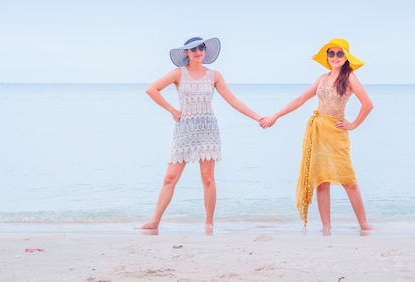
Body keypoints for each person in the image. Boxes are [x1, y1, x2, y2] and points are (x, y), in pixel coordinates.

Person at [139, 35, 262, 233]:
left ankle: (209, 223)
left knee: (207, 177)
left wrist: (257, 117)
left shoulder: (214, 75)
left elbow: (234, 101)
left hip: (208, 129)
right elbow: (152, 90)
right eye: (193, 49)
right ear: (186, 52)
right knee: (170, 177)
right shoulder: (178, 73)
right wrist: (172, 110)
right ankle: (154, 221)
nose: (198, 52)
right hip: (184, 129)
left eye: (201, 48)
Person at [260, 38, 374, 233]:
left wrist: (353, 124)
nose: (335, 57)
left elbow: (368, 104)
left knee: (349, 181)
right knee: (322, 181)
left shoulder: (350, 78)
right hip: (318, 132)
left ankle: (364, 224)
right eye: (332, 53)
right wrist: (275, 116)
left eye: (340, 53)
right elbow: (300, 99)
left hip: (337, 132)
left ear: (346, 57)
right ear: (327, 56)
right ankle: (326, 227)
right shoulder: (322, 78)